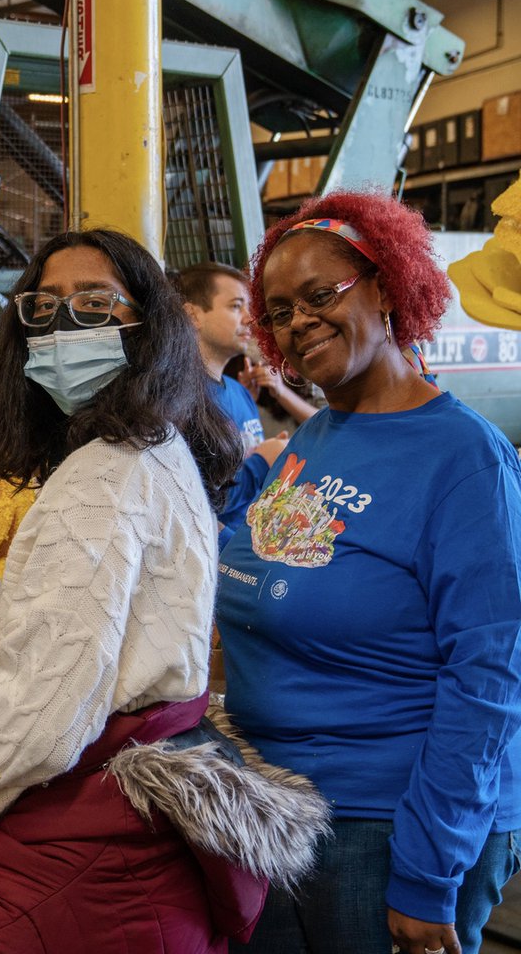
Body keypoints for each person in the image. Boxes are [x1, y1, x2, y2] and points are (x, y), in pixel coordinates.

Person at [0, 228, 329, 954]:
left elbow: (36, 729)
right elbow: (107, 640)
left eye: (96, 302)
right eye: (44, 307)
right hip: (138, 852)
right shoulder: (152, 448)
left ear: (149, 325)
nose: (66, 324)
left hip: (94, 871)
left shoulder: (102, 477)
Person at [217, 192, 521, 954]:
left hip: (385, 824)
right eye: (280, 312)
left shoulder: (463, 458)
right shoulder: (318, 433)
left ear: (388, 288)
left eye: (321, 296)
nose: (298, 323)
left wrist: (428, 873)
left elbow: (489, 679)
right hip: (278, 806)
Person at [176, 261, 314, 536]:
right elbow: (194, 503)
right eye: (235, 306)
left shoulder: (238, 391)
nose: (250, 318)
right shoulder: (179, 400)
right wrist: (264, 459)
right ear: (192, 316)